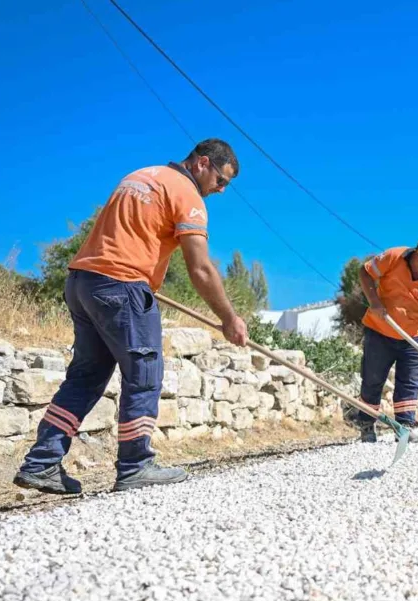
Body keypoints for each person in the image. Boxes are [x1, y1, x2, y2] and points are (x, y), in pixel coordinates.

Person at [14, 139, 249, 495]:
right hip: (122, 286)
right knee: (144, 374)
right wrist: (230, 318)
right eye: (221, 181)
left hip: (83, 282)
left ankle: (41, 463)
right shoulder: (187, 194)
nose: (220, 190)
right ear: (202, 163)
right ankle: (135, 467)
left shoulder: (140, 176)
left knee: (85, 378)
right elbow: (200, 268)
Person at [347, 235, 418, 443]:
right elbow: (364, 273)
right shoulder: (394, 257)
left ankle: (404, 427)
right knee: (372, 379)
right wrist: (374, 302)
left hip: (415, 338)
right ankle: (367, 424)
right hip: (380, 332)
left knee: (411, 382)